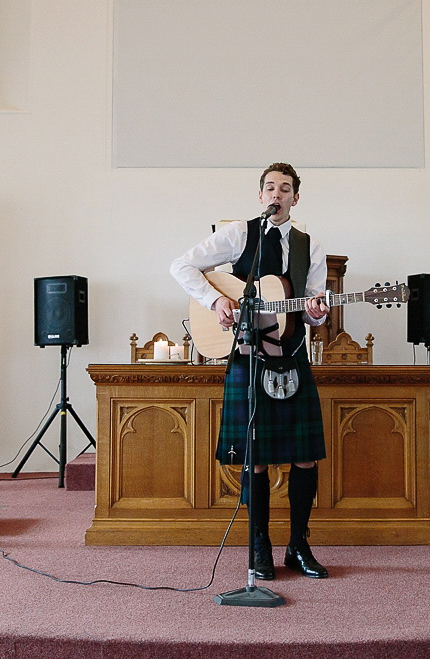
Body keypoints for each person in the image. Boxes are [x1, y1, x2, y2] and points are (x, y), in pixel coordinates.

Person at [170, 162, 330, 579]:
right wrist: (215, 301)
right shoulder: (240, 234)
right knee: (255, 459)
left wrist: (316, 311)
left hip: (292, 354)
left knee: (306, 458)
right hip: (248, 354)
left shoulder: (308, 244)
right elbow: (181, 266)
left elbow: (313, 312)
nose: (277, 195)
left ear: (296, 198)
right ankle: (259, 544)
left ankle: (298, 545)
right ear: (260, 196)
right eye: (271, 188)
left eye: (286, 189)